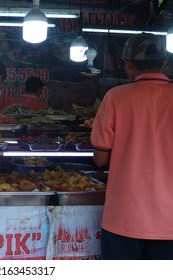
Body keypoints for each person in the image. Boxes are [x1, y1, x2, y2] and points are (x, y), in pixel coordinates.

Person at [91, 33, 173, 260]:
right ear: (164, 62)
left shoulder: (115, 97)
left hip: (123, 219)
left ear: (127, 63)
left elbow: (101, 159)